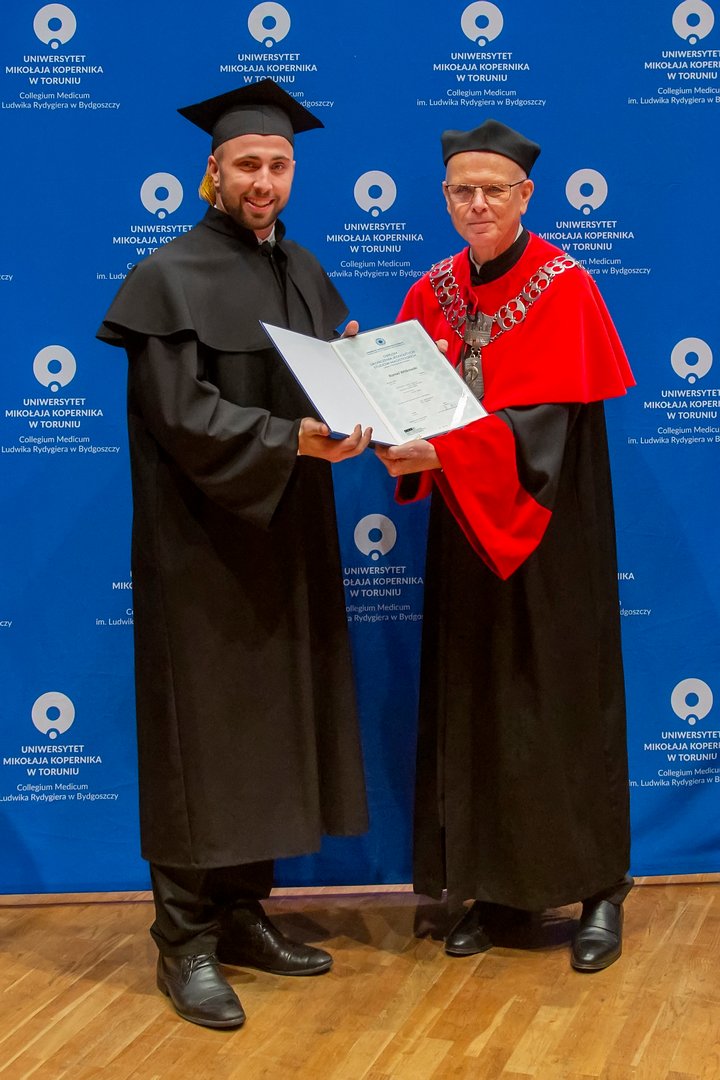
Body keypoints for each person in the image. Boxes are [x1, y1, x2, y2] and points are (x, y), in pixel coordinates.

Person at [97, 79, 371, 1029]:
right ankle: (184, 941)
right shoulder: (167, 277)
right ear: (212, 170)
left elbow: (328, 383)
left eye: (279, 165)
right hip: (200, 551)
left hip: (285, 538)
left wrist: (361, 388)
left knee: (270, 727)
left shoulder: (301, 268)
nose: (264, 180)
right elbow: (180, 413)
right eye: (248, 164)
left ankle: (245, 913)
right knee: (199, 736)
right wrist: (288, 440)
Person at [375, 119, 635, 972]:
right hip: (466, 537)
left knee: (561, 704)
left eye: (494, 189)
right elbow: (408, 405)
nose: (478, 203)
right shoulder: (432, 291)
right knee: (476, 702)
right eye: (463, 191)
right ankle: (490, 889)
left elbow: (547, 429)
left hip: (552, 537)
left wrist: (445, 450)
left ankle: (599, 890)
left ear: (527, 195)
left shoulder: (566, 286)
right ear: (444, 197)